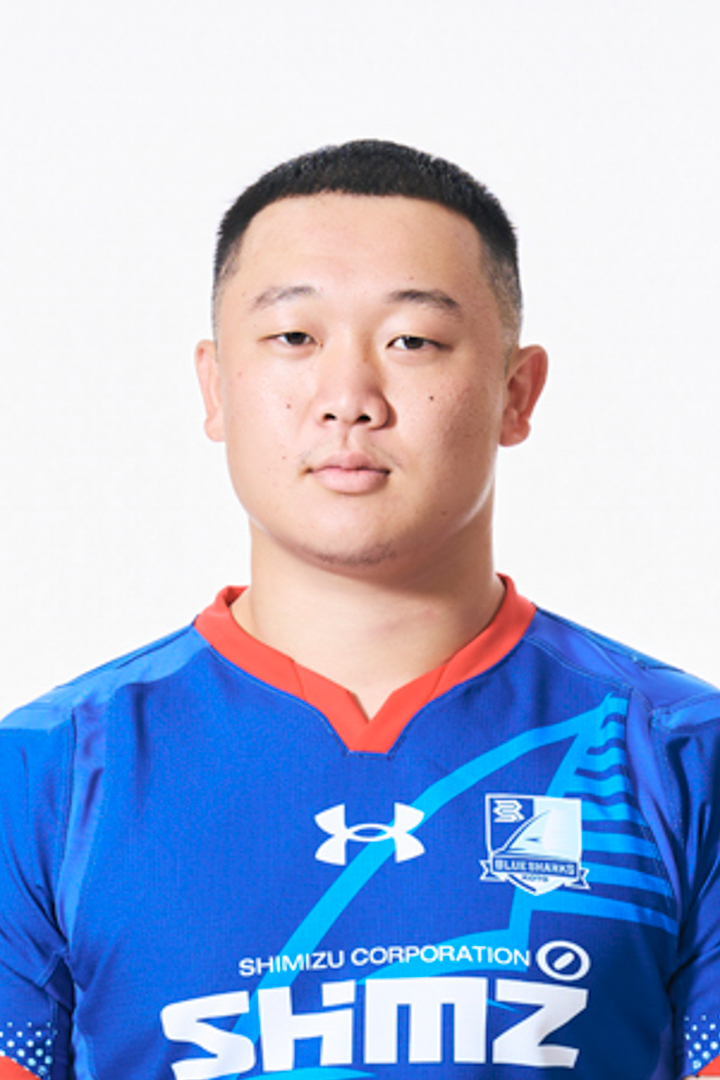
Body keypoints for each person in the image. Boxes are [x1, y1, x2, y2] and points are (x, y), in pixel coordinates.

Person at [0, 140, 718, 1080]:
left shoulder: (680, 754)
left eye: (412, 341)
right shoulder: (47, 777)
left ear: (516, 392)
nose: (349, 400)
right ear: (215, 388)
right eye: (294, 338)